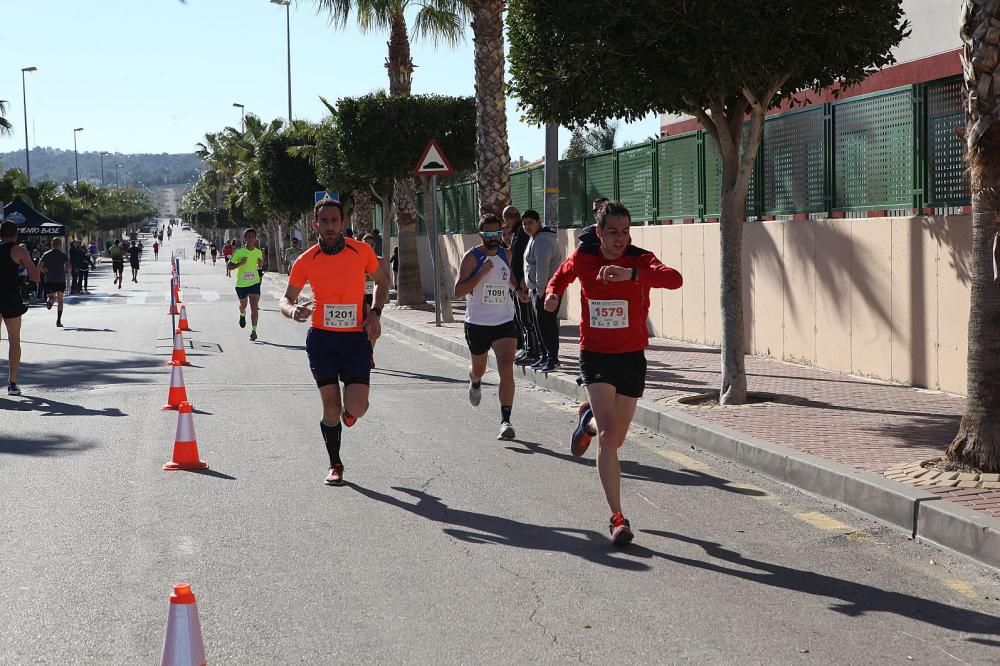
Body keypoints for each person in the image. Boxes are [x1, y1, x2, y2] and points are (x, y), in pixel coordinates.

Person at [545, 201, 682, 547]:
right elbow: (560, 276)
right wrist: (551, 295)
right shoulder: (584, 258)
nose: (620, 239)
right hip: (595, 355)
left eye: (625, 231)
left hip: (631, 357)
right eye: (613, 232)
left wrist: (632, 274)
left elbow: (674, 280)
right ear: (599, 232)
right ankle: (617, 518)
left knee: (615, 438)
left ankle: (587, 421)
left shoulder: (640, 259)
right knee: (610, 439)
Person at [279, 198, 389, 486]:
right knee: (330, 408)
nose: (329, 226)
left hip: (355, 338)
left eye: (334, 221)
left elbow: (382, 281)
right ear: (315, 224)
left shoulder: (361, 250)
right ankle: (335, 464)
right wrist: (293, 311)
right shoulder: (305, 260)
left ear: (342, 223)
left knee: (357, 408)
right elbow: (286, 299)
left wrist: (375, 313)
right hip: (323, 340)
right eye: (324, 221)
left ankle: (350, 413)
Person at [454, 213, 527, 441]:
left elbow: (509, 278)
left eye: (498, 232)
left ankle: (505, 420)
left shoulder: (506, 252)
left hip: (504, 321)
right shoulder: (472, 257)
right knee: (480, 369)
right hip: (477, 323)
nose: (495, 237)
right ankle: (474, 380)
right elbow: (458, 291)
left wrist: (517, 291)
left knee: (506, 368)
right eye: (490, 234)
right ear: (481, 234)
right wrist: (481, 273)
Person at [0, 221, 40, 395]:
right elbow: (35, 276)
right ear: (15, 234)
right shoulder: (18, 250)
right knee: (14, 340)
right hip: (10, 297)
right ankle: (12, 383)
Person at [521, 210, 564, 372]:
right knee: (540, 325)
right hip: (537, 289)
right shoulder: (535, 238)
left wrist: (540, 292)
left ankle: (552, 358)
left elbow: (542, 268)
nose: (527, 227)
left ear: (538, 222)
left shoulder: (543, 240)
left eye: (530, 223)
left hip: (546, 290)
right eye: (524, 224)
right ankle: (545, 356)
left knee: (547, 325)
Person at [504, 206, 539, 367]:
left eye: (513, 215)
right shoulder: (517, 233)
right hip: (517, 282)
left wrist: (525, 279)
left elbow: (529, 259)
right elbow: (515, 255)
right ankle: (526, 348)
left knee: (527, 318)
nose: (513, 218)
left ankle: (533, 350)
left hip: (524, 283)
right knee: (521, 318)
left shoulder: (524, 234)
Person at [227, 228, 264, 341]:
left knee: (254, 307)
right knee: (243, 305)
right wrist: (240, 263)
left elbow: (260, 265)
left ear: (255, 238)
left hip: (254, 283)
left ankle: (254, 331)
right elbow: (229, 266)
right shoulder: (239, 252)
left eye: (253, 236)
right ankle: (242, 314)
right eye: (248, 237)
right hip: (242, 284)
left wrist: (261, 264)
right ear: (245, 238)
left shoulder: (258, 252)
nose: (251, 239)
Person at [40, 237, 72, 328]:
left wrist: (45, 271)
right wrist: (67, 272)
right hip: (61, 279)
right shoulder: (63, 255)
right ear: (60, 245)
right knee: (60, 300)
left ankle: (50, 302)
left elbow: (39, 266)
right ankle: (58, 320)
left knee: (51, 296)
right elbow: (68, 266)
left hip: (50, 279)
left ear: (52, 244)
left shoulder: (46, 254)